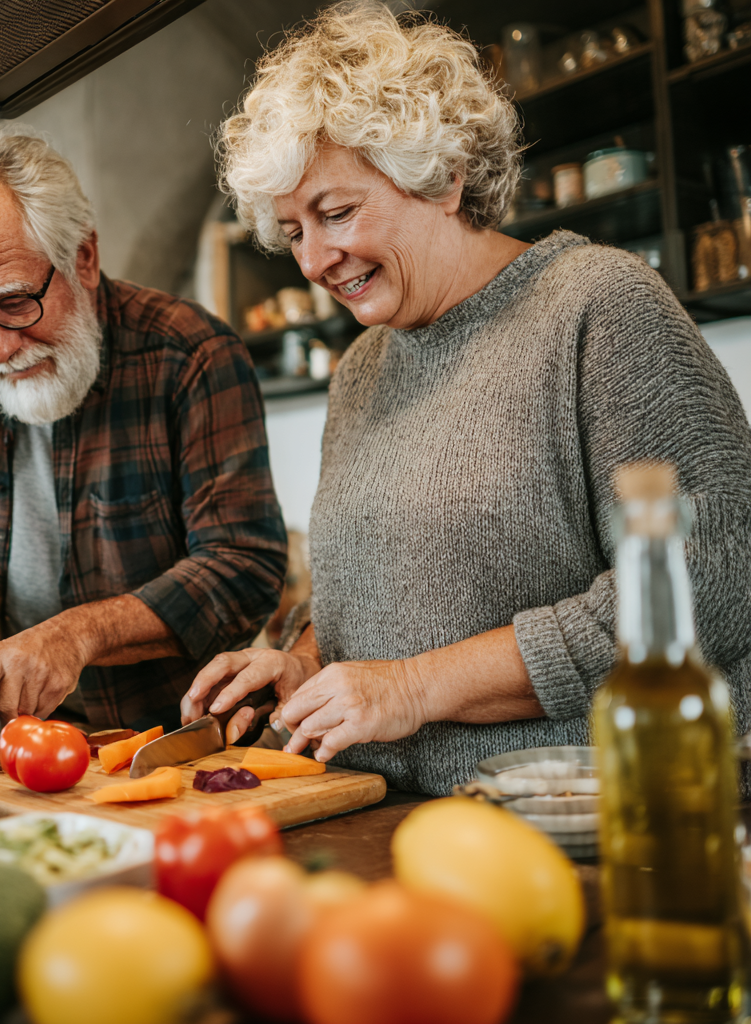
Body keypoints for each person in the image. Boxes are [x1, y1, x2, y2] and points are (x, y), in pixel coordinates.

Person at [185, 1, 751, 795]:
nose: (313, 259)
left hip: (590, 815)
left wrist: (414, 689)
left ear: (444, 178)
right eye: (293, 231)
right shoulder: (362, 369)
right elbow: (375, 599)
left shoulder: (597, 307)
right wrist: (305, 662)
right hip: (394, 815)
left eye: (336, 213)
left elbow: (714, 576)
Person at [0, 127, 287, 757]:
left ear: (84, 259)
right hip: (7, 743)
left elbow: (243, 568)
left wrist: (78, 635)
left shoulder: (189, 353)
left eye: (14, 302)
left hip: (164, 743)